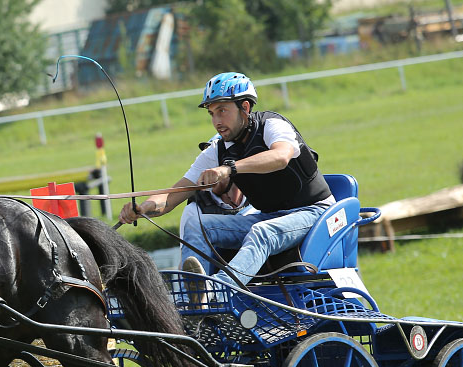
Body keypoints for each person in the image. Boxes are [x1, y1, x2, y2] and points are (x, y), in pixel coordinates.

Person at [120, 72, 334, 294]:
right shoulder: (218, 150)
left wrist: (229, 168)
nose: (216, 122)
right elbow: (173, 195)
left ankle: (216, 292)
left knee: (262, 231)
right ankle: (193, 297)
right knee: (198, 225)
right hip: (272, 217)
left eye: (222, 111)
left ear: (245, 107)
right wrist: (143, 208)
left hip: (314, 212)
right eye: (212, 114)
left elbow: (280, 157)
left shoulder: (273, 125)